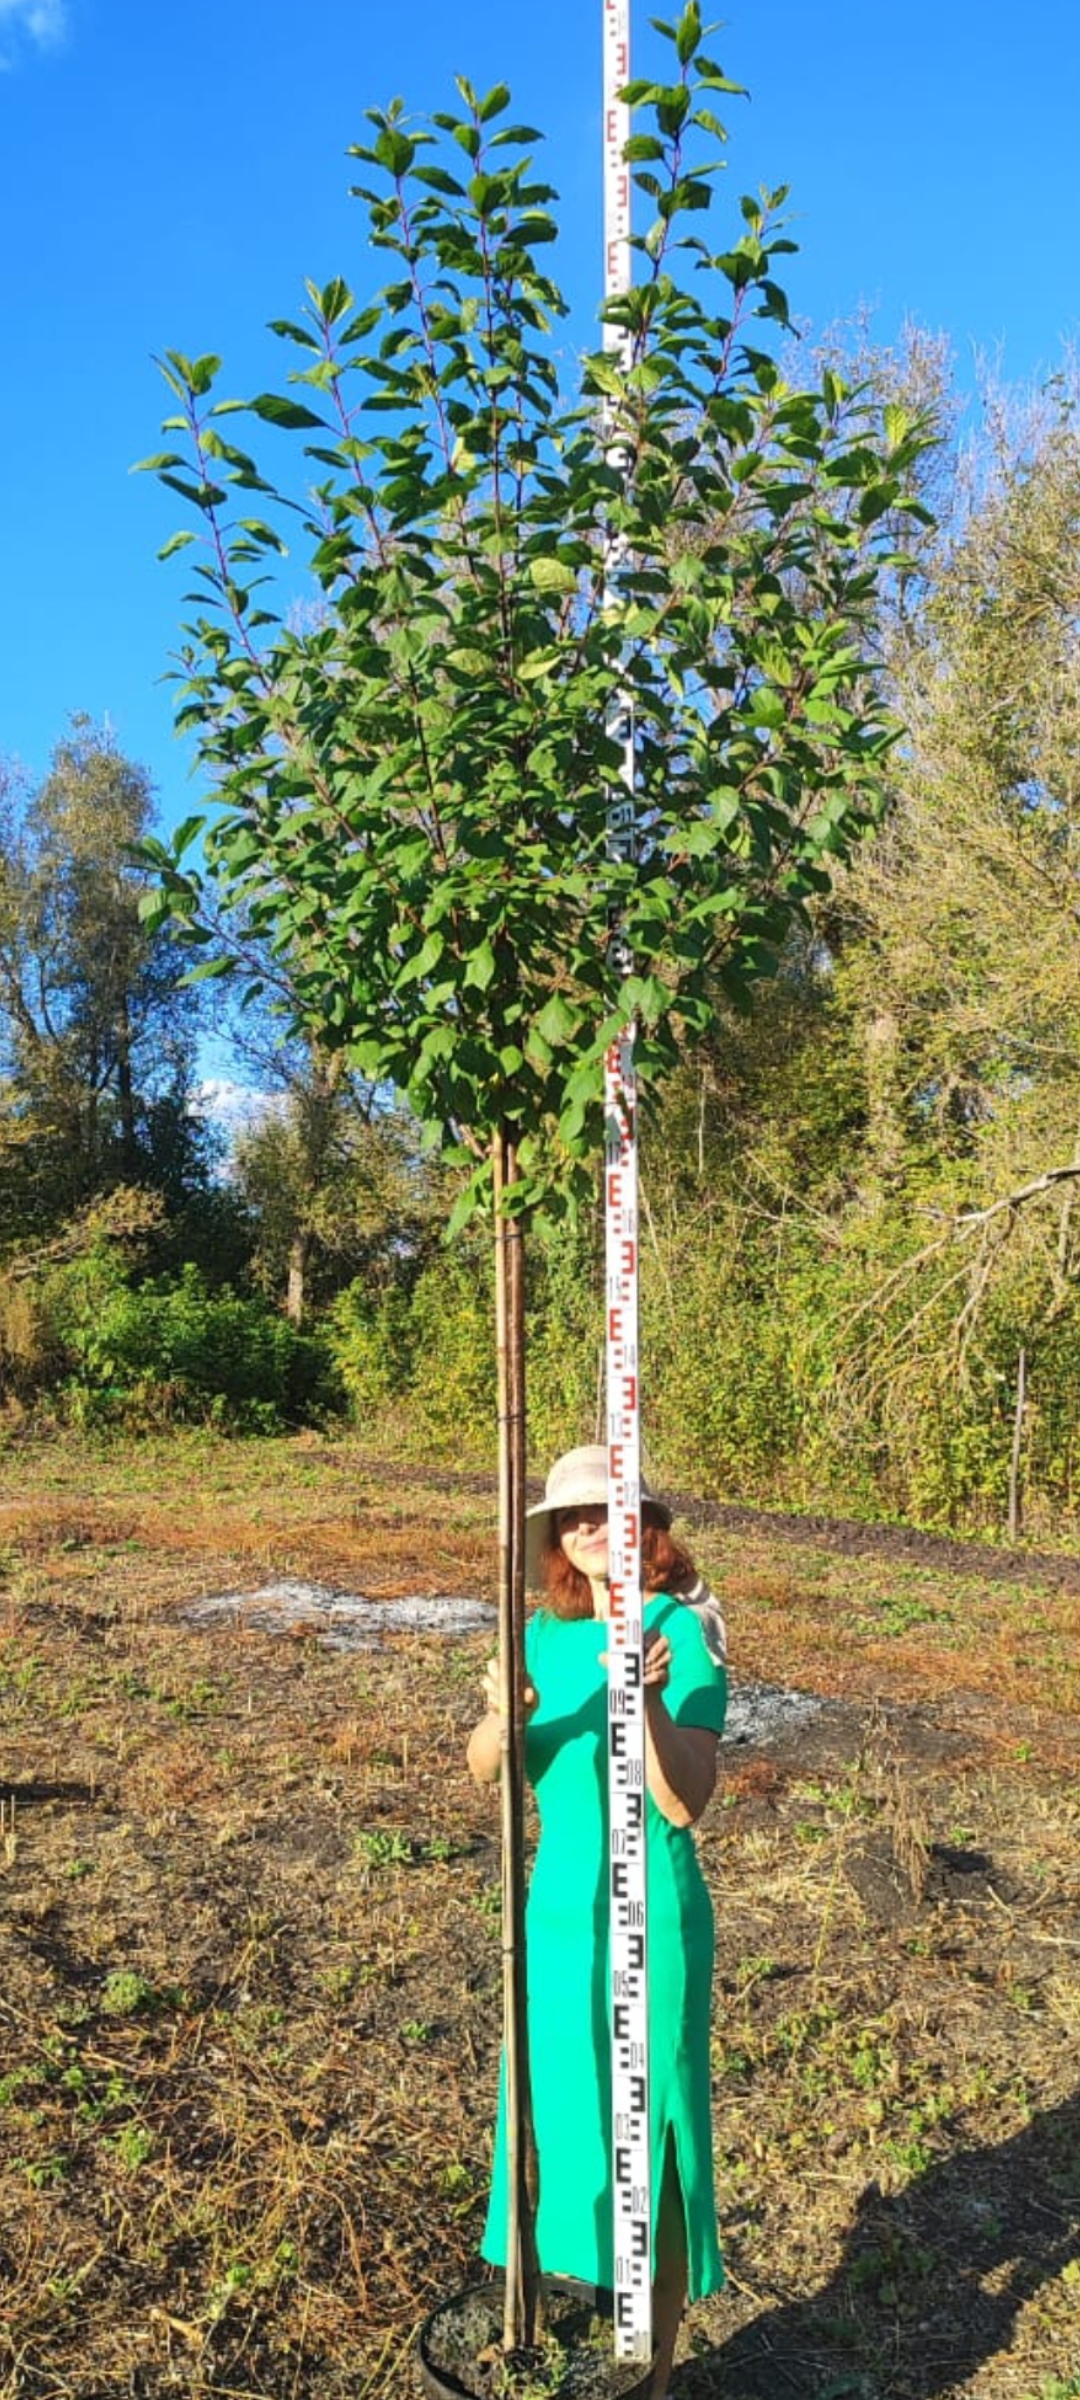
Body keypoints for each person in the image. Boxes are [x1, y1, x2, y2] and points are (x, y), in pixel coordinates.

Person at [467, 1445, 727, 2400]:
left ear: (645, 1525)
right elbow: (486, 1767)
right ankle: (583, 2353)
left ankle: (652, 2378)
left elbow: (685, 1799)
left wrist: (650, 1702)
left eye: (604, 1512)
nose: (584, 1529)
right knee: (568, 2131)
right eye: (568, 1518)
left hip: (655, 1919)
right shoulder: (534, 1633)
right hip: (559, 1914)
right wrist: (505, 1716)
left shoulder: (682, 1629)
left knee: (651, 2143)